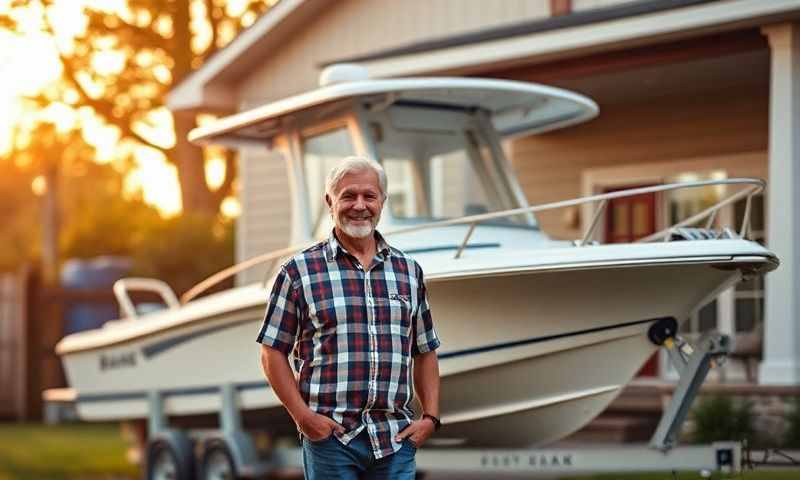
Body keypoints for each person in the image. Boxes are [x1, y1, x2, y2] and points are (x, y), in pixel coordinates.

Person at [257, 156, 441, 480]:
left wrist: (431, 418)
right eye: (348, 196)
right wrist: (303, 417)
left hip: (395, 441)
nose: (360, 205)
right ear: (330, 201)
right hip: (332, 440)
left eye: (369, 196)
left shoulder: (409, 272)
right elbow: (272, 351)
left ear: (382, 201)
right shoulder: (298, 272)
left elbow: (424, 350)